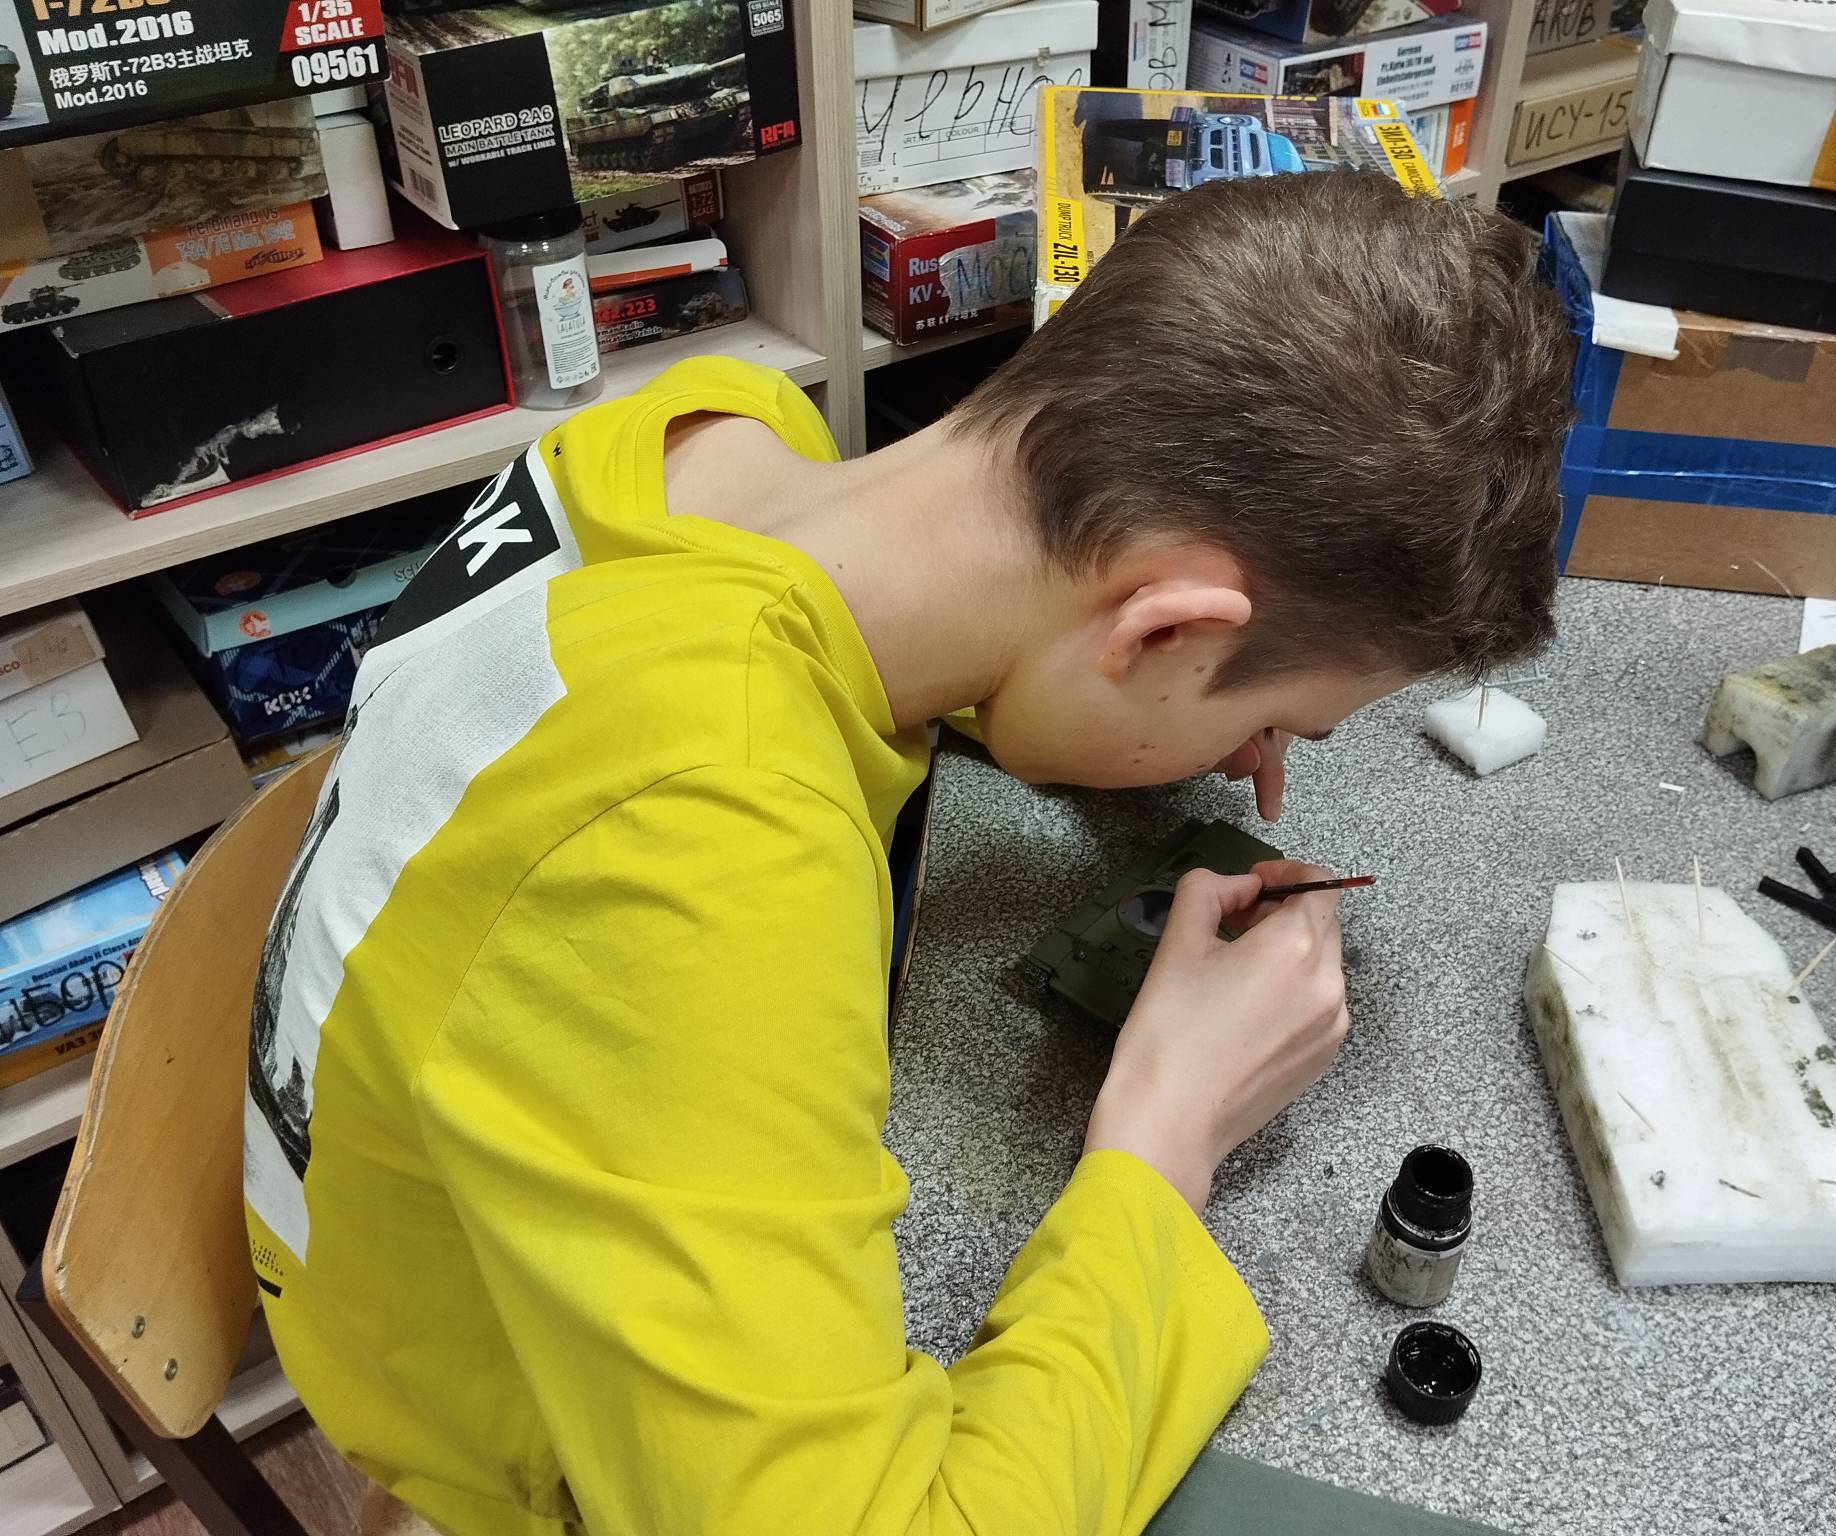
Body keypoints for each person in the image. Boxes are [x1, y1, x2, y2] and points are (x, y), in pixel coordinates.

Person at [244, 170, 1572, 1535]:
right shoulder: (697, 842)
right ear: (1165, 630)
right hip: (501, 1428)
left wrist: (1146, 714)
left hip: (393, 1190)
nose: (1256, 758)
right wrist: (1169, 1127)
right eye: (1277, 720)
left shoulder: (705, 433)